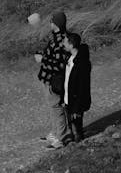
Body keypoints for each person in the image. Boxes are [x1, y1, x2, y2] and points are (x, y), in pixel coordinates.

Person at [35, 12, 70, 149]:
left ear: (55, 24)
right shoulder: (56, 37)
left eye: (51, 21)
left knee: (57, 108)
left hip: (53, 80)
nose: (50, 23)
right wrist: (44, 55)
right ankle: (56, 133)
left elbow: (59, 64)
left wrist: (42, 59)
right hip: (48, 79)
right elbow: (54, 57)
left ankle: (60, 138)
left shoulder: (61, 40)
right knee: (53, 107)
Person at [63, 32, 91, 143]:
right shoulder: (70, 58)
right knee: (71, 125)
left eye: (65, 42)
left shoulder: (82, 63)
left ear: (71, 45)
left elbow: (82, 88)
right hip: (68, 99)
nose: (63, 44)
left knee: (77, 129)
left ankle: (79, 147)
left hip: (76, 103)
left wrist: (77, 108)